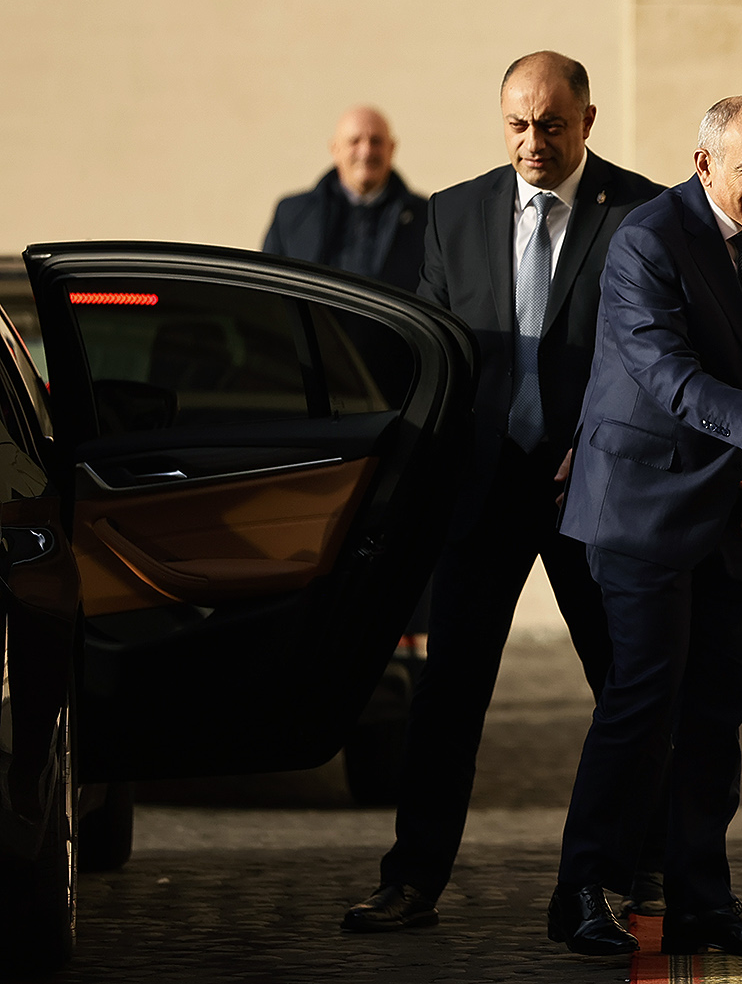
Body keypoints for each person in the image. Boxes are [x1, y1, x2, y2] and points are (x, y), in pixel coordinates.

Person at [341, 52, 663, 933]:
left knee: (626, 682)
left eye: (551, 125)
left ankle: (647, 863)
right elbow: (437, 349)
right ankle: (412, 878)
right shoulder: (454, 212)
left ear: (587, 120)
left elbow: (650, 352)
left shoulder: (641, 213)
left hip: (591, 486)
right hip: (484, 489)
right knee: (448, 693)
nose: (532, 142)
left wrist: (599, 443)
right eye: (518, 124)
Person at [549, 97, 742, 956]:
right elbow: (669, 376)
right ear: (704, 164)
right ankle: (582, 890)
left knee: (718, 713)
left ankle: (700, 901)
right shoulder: (647, 240)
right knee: (642, 702)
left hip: (739, 507)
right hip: (642, 506)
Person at [263, 106, 428, 291]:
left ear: (391, 149)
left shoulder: (427, 219)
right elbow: (268, 289)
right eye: (354, 141)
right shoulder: (291, 215)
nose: (366, 151)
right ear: (335, 149)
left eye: (376, 141)